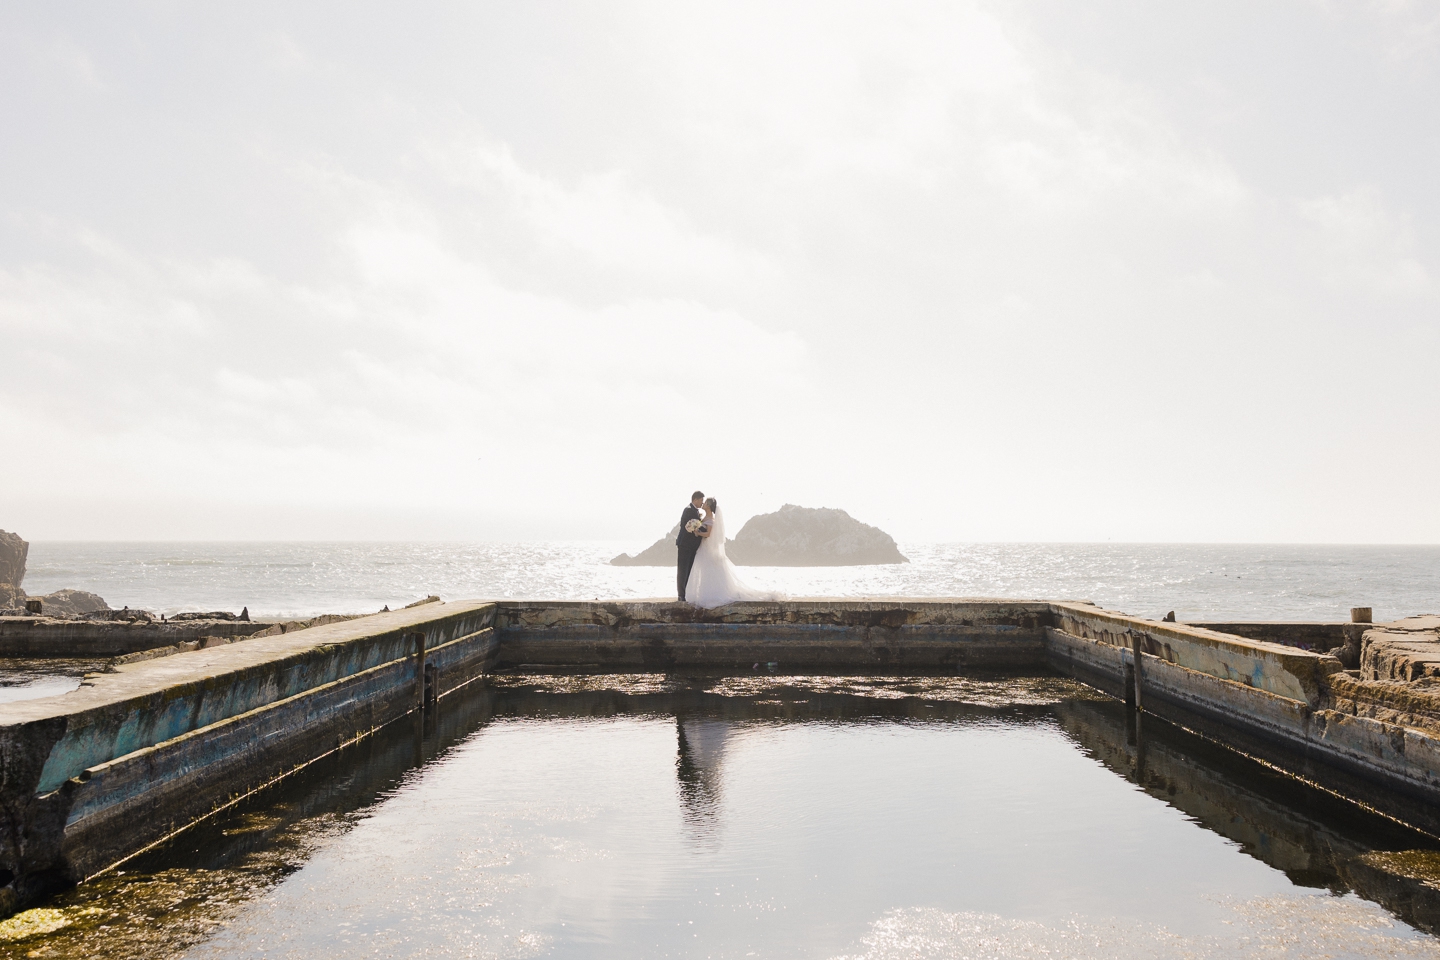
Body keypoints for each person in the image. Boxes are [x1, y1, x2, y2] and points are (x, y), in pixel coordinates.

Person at [685, 497, 783, 608]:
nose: (704, 503)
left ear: (709, 506)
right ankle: (707, 593)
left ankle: (712, 594)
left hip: (708, 550)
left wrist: (697, 531)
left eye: (706, 502)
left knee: (709, 571)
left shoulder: (711, 520)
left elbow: (708, 534)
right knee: (706, 571)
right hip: (704, 548)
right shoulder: (704, 518)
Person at [676, 491, 705, 601]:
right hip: (685, 544)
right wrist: (706, 530)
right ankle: (681, 595)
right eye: (701, 500)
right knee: (683, 569)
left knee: (688, 570)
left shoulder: (695, 511)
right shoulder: (689, 510)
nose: (702, 503)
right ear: (695, 500)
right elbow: (688, 527)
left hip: (691, 546)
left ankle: (686, 593)